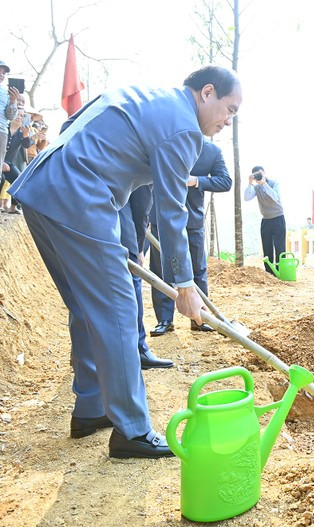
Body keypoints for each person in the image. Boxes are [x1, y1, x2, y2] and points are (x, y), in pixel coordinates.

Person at [9, 65, 242, 458]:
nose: (229, 121)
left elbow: (75, 124)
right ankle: (133, 431)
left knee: (87, 308)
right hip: (79, 196)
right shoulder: (184, 127)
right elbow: (172, 212)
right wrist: (185, 286)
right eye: (230, 109)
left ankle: (92, 407)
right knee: (118, 308)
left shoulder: (148, 95)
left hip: (43, 186)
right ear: (206, 93)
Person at [149, 139, 232, 335]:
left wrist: (196, 181)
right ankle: (165, 320)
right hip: (160, 218)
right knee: (160, 270)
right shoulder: (164, 143)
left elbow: (225, 181)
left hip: (193, 219)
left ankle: (199, 318)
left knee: (198, 269)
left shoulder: (212, 151)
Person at [119, 187, 173, 369]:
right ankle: (138, 350)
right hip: (121, 233)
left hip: (83, 229)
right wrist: (139, 246)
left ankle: (87, 353)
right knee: (130, 290)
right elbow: (141, 203)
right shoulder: (143, 159)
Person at [244, 165, 285, 274]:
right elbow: (246, 197)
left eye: (260, 174)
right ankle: (269, 273)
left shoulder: (274, 183)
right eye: (256, 175)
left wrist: (264, 184)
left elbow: (275, 197)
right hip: (266, 220)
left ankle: (281, 272)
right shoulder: (256, 188)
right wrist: (249, 183)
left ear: (264, 173)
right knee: (267, 248)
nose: (258, 176)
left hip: (278, 218)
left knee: (280, 247)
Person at [0, 60, 20, 178]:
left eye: (4, 73)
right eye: (0, 71)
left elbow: (11, 116)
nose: (2, 74)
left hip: (1, 132)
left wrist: (13, 101)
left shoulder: (7, 93)